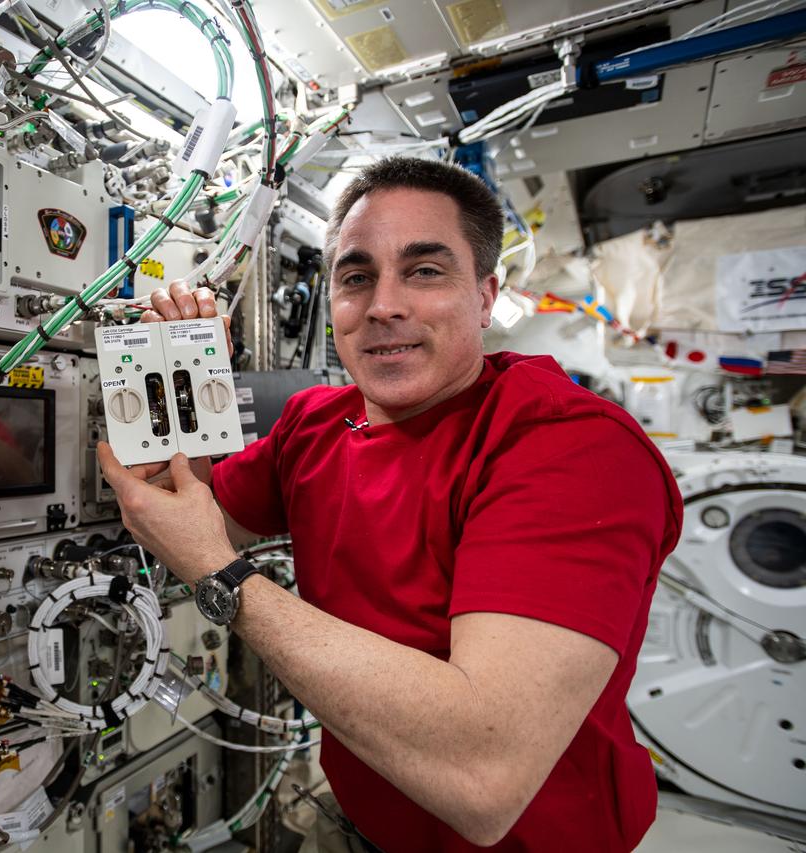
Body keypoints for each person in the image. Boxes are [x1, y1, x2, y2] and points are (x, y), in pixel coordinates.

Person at [95, 157, 682, 852]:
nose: (383, 306)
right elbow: (178, 514)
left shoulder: (569, 447)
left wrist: (224, 578)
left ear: (486, 296)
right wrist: (185, 384)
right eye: (356, 277)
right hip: (370, 816)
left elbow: (483, 773)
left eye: (425, 270)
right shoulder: (316, 422)